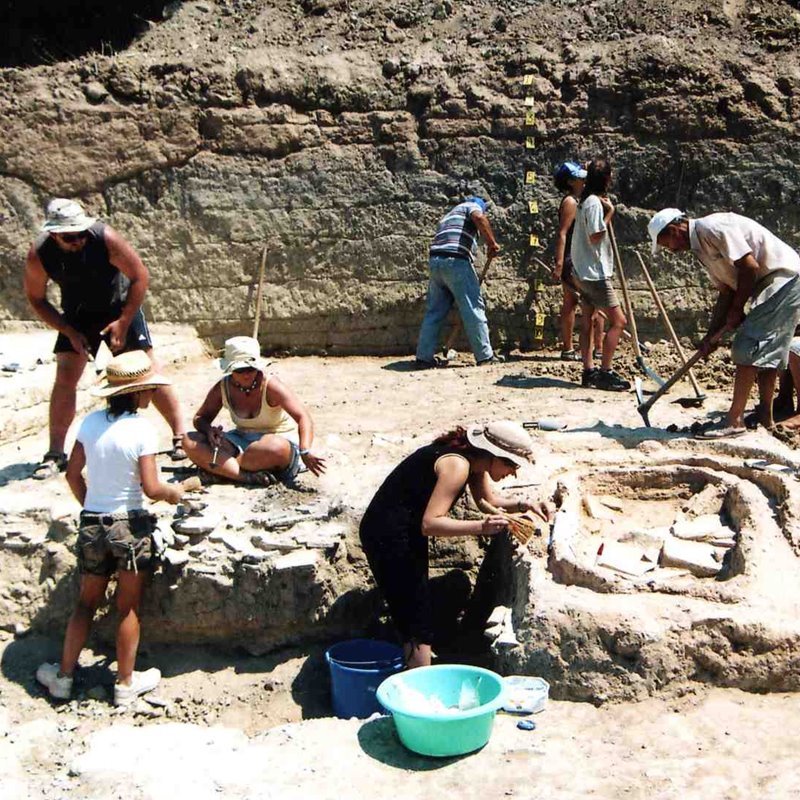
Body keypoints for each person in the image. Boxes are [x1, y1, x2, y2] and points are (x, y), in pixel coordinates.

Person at [36, 351, 187, 705]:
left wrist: (93, 505)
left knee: (85, 603)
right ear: (137, 392)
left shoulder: (90, 423)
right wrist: (172, 493)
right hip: (129, 526)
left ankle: (63, 677)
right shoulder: (142, 430)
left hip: (92, 523)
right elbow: (151, 488)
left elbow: (73, 475)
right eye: (148, 389)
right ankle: (124, 684)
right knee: (127, 607)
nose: (151, 395)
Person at [359, 420, 552, 668]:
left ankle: (416, 672)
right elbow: (430, 524)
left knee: (413, 609)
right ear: (494, 455)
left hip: (403, 528)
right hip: (387, 533)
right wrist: (482, 527)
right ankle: (421, 688)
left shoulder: (474, 461)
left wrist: (525, 504)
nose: (513, 472)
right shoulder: (457, 466)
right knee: (415, 619)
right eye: (511, 464)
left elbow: (487, 499)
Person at [23, 198, 187, 480]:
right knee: (65, 376)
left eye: (80, 233)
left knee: (146, 371)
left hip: (119, 307)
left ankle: (180, 436)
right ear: (54, 234)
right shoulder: (40, 254)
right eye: (69, 237)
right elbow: (36, 299)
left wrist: (123, 322)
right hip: (76, 314)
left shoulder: (104, 238)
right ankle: (55, 453)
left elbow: (139, 276)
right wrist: (68, 331)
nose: (77, 240)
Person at [649, 208, 800, 437]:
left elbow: (749, 267)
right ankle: (765, 418)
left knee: (747, 346)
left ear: (674, 229)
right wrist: (711, 335)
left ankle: (734, 421)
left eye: (666, 243)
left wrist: (738, 310)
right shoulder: (700, 249)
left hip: (783, 278)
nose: (671, 250)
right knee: (767, 352)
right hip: (770, 283)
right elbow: (727, 290)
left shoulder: (713, 227)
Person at [182, 336, 326, 484]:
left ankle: (222, 469)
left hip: (273, 442)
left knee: (275, 447)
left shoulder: (271, 386)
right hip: (240, 440)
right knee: (189, 440)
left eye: (250, 369)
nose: (246, 375)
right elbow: (200, 418)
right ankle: (245, 476)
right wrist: (208, 430)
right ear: (230, 369)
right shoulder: (223, 387)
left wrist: (305, 450)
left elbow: (303, 417)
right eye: (239, 370)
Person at [415, 196, 505, 367]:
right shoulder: (471, 207)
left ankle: (423, 357)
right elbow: (479, 218)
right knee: (473, 308)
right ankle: (485, 356)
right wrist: (492, 244)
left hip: (435, 262)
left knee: (434, 311)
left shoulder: (448, 216)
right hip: (455, 262)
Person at [570, 159, 630, 391]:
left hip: (581, 271)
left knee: (588, 321)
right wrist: (610, 213)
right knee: (619, 321)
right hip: (595, 274)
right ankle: (605, 372)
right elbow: (595, 236)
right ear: (606, 179)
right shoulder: (594, 203)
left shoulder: (584, 201)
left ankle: (588, 371)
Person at [552, 161, 605, 362]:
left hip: (577, 256)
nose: (584, 179)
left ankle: (588, 349)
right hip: (572, 258)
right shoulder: (571, 202)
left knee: (578, 301)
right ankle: (589, 349)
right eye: (579, 177)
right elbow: (563, 233)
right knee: (585, 302)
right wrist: (559, 263)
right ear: (570, 181)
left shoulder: (581, 200)